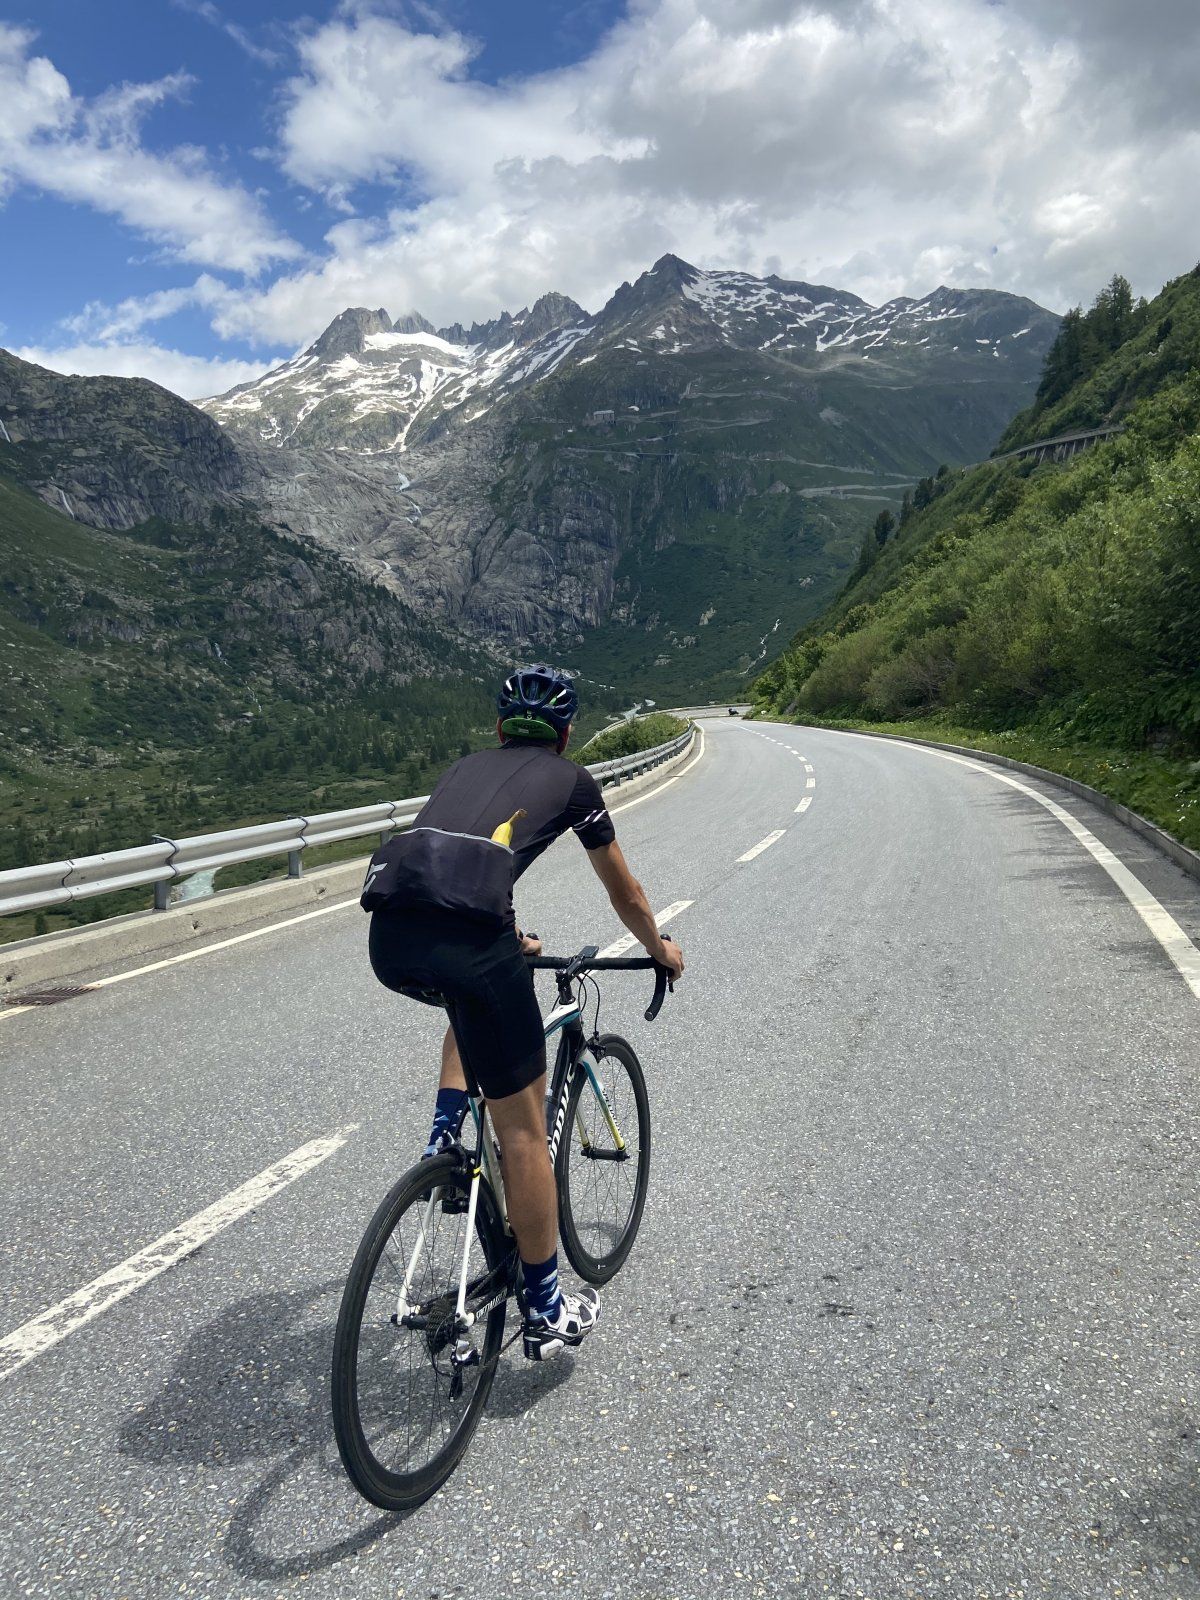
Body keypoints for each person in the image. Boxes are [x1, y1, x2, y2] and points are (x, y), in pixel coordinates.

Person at [366, 664, 685, 1360]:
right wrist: (657, 947)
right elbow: (625, 892)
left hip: (389, 939)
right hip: (471, 946)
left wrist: (508, 936)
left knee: (465, 1003)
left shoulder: (462, 768)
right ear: (565, 736)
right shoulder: (574, 782)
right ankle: (545, 1308)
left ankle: (443, 1140)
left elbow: (451, 866)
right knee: (523, 1136)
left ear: (499, 729)